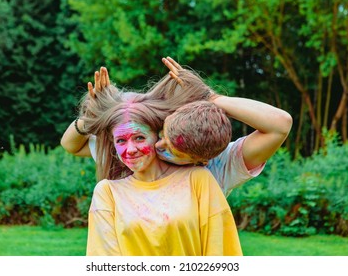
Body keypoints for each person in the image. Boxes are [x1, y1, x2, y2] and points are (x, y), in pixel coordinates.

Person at [61, 58, 292, 196]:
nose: (160, 145)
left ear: (200, 159)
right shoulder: (139, 154)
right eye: (161, 134)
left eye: (172, 150)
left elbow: (280, 124)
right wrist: (92, 119)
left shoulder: (218, 167)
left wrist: (211, 97)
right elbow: (71, 145)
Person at [78, 83, 242, 255]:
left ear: (158, 136)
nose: (131, 149)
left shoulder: (199, 179)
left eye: (140, 137)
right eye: (120, 141)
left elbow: (220, 248)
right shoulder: (107, 192)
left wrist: (212, 97)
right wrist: (92, 112)